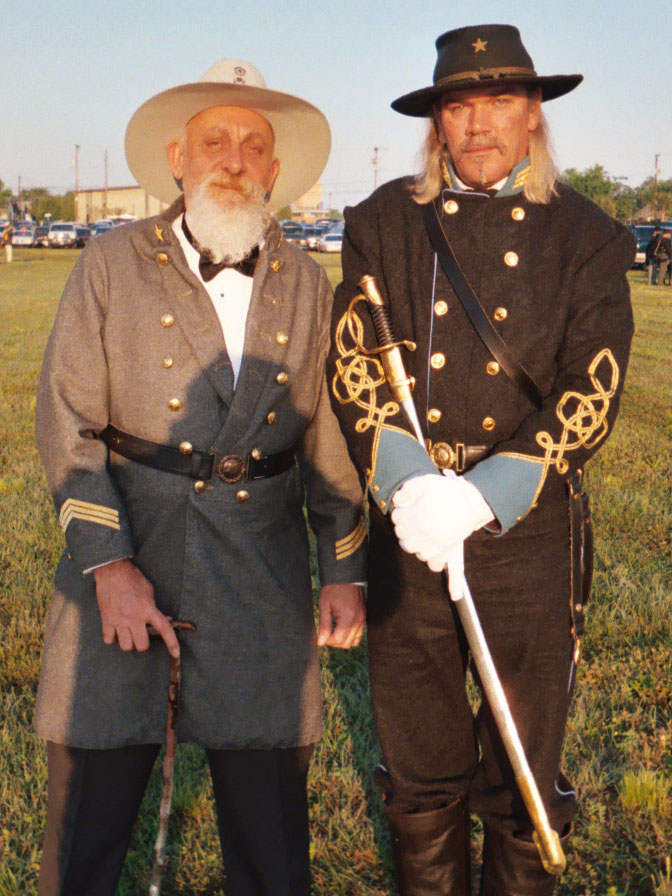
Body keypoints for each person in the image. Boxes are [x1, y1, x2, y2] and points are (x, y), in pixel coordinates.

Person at [35, 59, 367, 896]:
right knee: (87, 826)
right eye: (214, 141)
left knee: (271, 840)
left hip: (262, 574)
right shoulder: (110, 263)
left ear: (275, 171)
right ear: (178, 159)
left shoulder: (310, 284)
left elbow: (330, 439)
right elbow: (68, 423)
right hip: (130, 555)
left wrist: (345, 569)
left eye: (253, 146)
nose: (233, 159)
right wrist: (109, 568)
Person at [328, 24, 634, 895]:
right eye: (459, 106)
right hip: (413, 525)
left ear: (533, 114)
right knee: (419, 758)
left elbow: (594, 384)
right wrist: (407, 486)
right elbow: (355, 364)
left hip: (524, 529)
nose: (479, 123)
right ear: (438, 123)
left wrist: (483, 494)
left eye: (501, 101)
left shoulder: (589, 236)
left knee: (521, 762)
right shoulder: (384, 219)